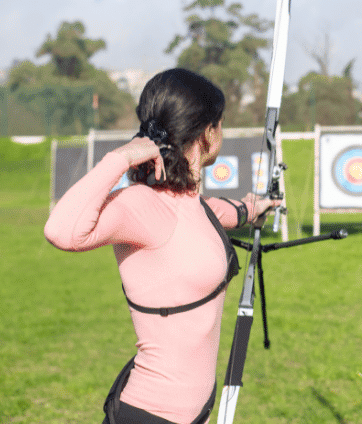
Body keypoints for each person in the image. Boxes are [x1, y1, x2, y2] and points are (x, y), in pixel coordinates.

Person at [44, 68, 280, 424]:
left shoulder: (186, 202)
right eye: (221, 123)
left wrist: (253, 208)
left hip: (188, 414)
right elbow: (62, 231)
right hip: (150, 414)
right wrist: (120, 157)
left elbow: (212, 215)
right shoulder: (140, 205)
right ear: (207, 132)